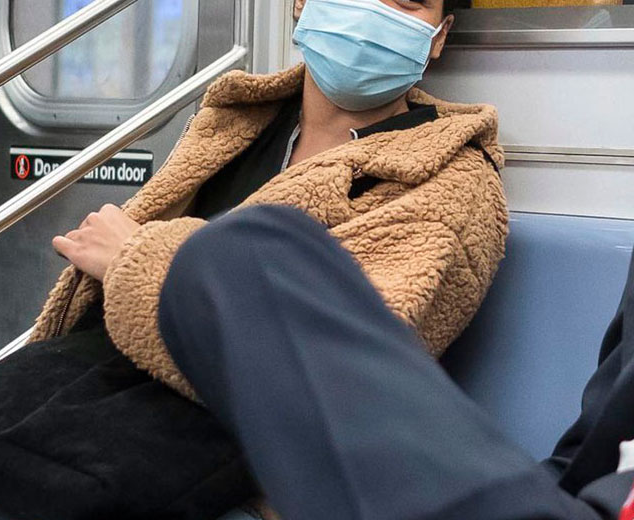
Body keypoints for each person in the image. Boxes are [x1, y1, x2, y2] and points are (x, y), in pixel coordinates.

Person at [0, 0, 507, 520]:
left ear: (439, 35)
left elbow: (325, 389)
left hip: (256, 486)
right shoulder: (240, 124)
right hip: (107, 437)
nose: (373, 7)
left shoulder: (450, 186)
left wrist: (135, 261)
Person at [159, 203, 634, 520]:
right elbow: (592, 452)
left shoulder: (446, 183)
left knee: (239, 257)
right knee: (240, 254)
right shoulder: (232, 133)